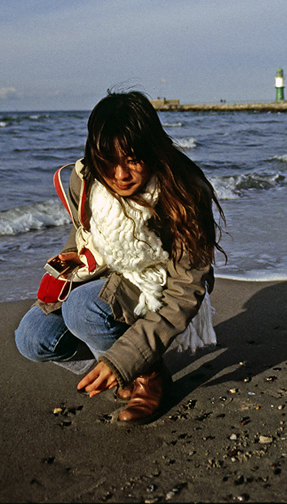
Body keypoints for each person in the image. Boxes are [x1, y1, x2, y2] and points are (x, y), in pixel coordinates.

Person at [15, 91, 225, 424]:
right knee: (32, 338)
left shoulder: (184, 192)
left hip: (159, 284)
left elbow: (186, 291)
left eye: (132, 159)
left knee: (84, 308)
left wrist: (125, 360)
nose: (121, 174)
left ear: (152, 150)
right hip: (106, 273)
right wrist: (69, 261)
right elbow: (83, 231)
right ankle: (118, 363)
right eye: (108, 161)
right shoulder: (84, 179)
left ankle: (146, 374)